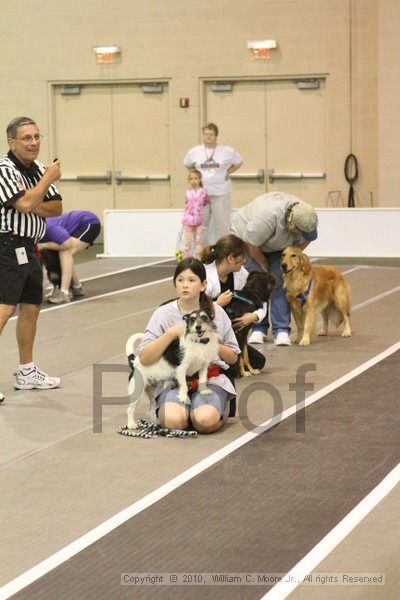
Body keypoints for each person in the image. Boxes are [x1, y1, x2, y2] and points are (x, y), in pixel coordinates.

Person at [135, 258, 239, 434]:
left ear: (203, 285)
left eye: (191, 280)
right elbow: (145, 358)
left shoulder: (216, 312)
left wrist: (210, 341)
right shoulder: (163, 313)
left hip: (209, 378)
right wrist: (172, 334)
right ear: (174, 284)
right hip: (173, 379)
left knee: (205, 422)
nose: (185, 285)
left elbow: (233, 357)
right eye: (180, 280)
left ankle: (207, 411)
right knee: (175, 422)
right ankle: (186, 411)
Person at [0, 116, 62, 398]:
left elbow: (56, 208)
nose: (34, 143)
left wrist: (30, 201)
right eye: (27, 138)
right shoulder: (4, 169)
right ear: (11, 142)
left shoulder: (37, 168)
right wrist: (46, 182)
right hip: (7, 244)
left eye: (37, 137)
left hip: (31, 245)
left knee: (31, 308)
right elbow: (25, 203)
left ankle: (26, 371)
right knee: (4, 308)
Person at [231, 192, 318, 346]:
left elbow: (309, 238)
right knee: (257, 283)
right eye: (300, 231)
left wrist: (293, 252)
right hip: (249, 242)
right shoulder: (266, 217)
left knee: (278, 282)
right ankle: (258, 329)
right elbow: (251, 244)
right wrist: (263, 264)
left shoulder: (306, 215)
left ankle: (282, 330)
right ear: (292, 224)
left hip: (278, 244)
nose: (303, 234)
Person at [200, 234, 267, 371]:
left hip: (230, 334)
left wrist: (255, 316)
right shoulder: (204, 275)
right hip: (207, 335)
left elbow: (260, 298)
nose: (245, 261)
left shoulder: (241, 273)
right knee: (228, 368)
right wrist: (217, 304)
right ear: (231, 258)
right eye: (242, 258)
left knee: (259, 361)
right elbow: (194, 310)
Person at [183, 123, 243, 244]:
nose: (208, 137)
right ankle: (201, 253)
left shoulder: (227, 151)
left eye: (211, 134)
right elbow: (187, 164)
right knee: (201, 225)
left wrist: (228, 172)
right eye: (206, 134)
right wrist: (196, 177)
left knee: (222, 225)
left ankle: (225, 252)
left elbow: (239, 162)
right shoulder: (194, 151)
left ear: (216, 136)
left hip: (220, 193)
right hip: (201, 194)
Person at [37, 210, 101, 304]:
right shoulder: (36, 229)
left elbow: (67, 244)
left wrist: (43, 245)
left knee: (66, 251)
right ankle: (77, 287)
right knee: (61, 254)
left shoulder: (48, 227)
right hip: (75, 226)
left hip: (90, 223)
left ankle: (64, 293)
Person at [181, 169, 209, 259]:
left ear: (200, 179)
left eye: (195, 178)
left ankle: (199, 258)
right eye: (191, 179)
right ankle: (186, 258)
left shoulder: (203, 191)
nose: (193, 181)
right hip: (188, 220)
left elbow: (205, 202)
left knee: (198, 241)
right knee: (187, 242)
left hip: (199, 220)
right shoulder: (188, 191)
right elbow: (187, 203)